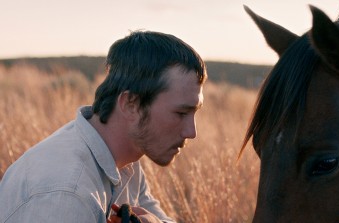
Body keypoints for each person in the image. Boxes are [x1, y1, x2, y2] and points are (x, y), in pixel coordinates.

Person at [0, 30, 207, 223]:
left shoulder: (126, 159)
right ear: (131, 104)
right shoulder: (66, 196)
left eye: (194, 112)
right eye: (181, 113)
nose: (192, 132)